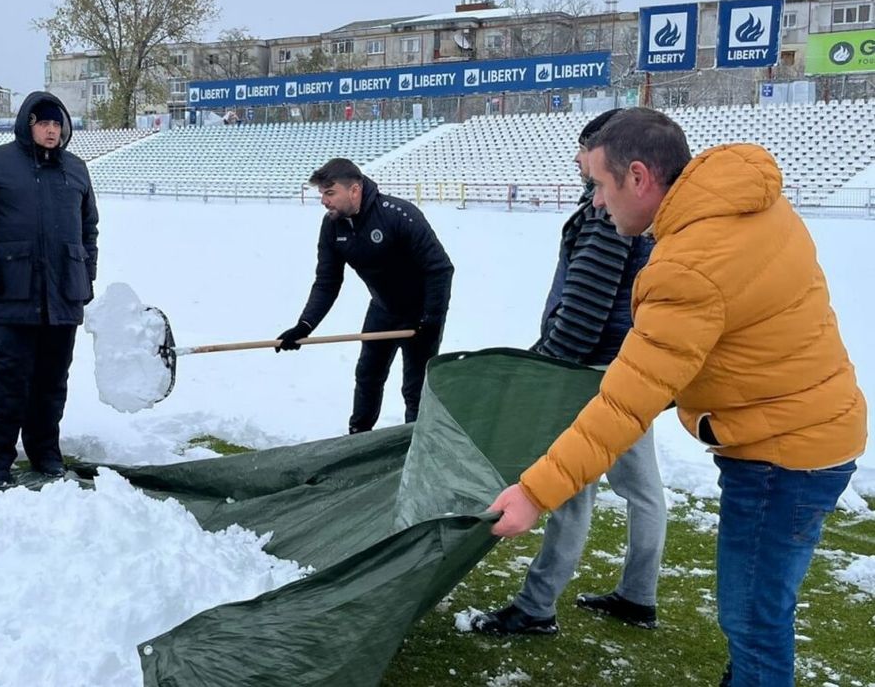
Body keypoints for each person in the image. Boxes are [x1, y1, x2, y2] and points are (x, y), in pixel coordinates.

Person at [488, 108, 865, 686]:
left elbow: (626, 403)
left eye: (600, 184)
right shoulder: (742, 205)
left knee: (753, 621)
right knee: (758, 615)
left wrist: (535, 492)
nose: (596, 203)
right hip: (813, 427)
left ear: (639, 177)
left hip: (783, 454)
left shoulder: (690, 263)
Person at [471, 109, 667, 636]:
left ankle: (537, 606)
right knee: (641, 489)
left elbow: (582, 313)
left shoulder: (605, 215)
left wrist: (544, 366)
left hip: (587, 372)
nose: (578, 161)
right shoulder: (628, 210)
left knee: (568, 488)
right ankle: (638, 596)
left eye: (583, 150)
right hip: (626, 367)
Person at [0, 91, 98, 487]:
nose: (52, 131)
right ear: (28, 125)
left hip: (64, 294)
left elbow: (89, 229)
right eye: (44, 123)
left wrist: (86, 275)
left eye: (57, 124)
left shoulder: (76, 169)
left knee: (52, 382)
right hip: (12, 290)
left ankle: (45, 452)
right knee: (9, 379)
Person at [276, 158, 454, 433]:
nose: (324, 201)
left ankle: (416, 444)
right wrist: (304, 325)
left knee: (415, 388)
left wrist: (432, 319)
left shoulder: (399, 215)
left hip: (421, 316)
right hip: (383, 309)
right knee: (368, 376)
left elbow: (440, 268)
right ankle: (358, 438)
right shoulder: (332, 226)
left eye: (330, 193)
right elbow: (327, 282)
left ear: (354, 190)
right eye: (322, 194)